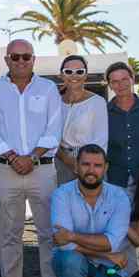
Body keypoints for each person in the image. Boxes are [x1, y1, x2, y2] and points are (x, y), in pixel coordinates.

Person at [0, 39, 63, 277]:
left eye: (25, 57)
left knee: (48, 234)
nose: (20, 61)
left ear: (33, 59)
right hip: (7, 171)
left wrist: (31, 157)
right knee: (8, 235)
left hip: (42, 169)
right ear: (6, 59)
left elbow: (55, 128)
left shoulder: (48, 88)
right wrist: (16, 158)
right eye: (15, 57)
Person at [49, 145, 139, 277]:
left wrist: (74, 237)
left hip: (107, 269)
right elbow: (62, 244)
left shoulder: (119, 197)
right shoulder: (61, 195)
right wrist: (106, 254)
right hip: (81, 262)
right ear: (76, 166)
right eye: (85, 164)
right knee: (70, 260)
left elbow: (111, 242)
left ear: (106, 167)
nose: (91, 170)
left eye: (97, 165)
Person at [105, 62, 139, 197]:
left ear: (132, 79)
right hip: (115, 181)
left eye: (124, 79)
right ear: (110, 85)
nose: (120, 84)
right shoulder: (103, 112)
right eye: (115, 81)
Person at [56, 55, 108, 186]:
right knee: (63, 203)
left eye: (79, 72)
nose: (74, 76)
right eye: (68, 72)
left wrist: (85, 165)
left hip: (90, 163)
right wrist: (66, 159)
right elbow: (48, 134)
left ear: (85, 75)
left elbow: (101, 140)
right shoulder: (54, 102)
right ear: (61, 75)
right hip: (59, 161)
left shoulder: (97, 102)